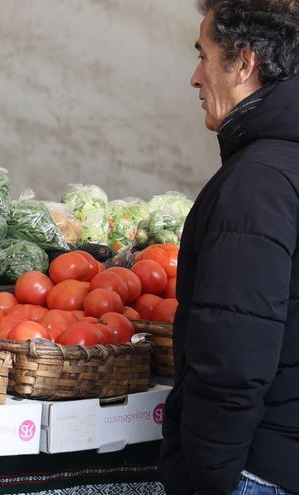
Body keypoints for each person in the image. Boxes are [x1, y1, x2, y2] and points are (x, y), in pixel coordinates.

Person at [159, 1, 299, 494]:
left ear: (244, 62)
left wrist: (209, 472)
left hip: (259, 469)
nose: (195, 78)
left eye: (204, 55)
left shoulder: (256, 182)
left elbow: (233, 355)